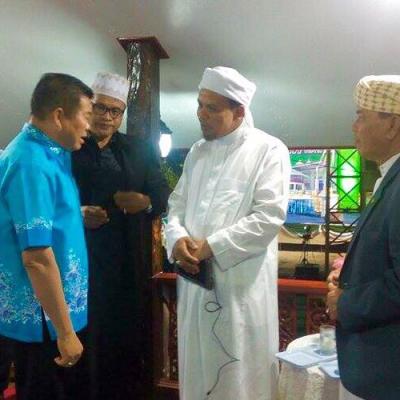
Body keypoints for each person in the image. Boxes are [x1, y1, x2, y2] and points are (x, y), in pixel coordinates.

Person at [165, 66, 291, 400]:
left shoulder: (269, 150)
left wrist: (210, 246)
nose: (200, 114)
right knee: (197, 374)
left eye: (212, 108)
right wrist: (177, 240)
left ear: (239, 112)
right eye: (200, 104)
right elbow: (176, 206)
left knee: (239, 378)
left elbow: (268, 217)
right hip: (195, 287)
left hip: (239, 293)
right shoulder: (197, 152)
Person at [72, 72, 169, 399]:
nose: (107, 117)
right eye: (101, 108)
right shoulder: (68, 145)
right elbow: (48, 201)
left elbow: (162, 194)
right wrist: (78, 214)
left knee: (123, 342)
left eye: (116, 111)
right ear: (88, 106)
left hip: (126, 264)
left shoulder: (138, 149)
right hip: (80, 262)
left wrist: (146, 202)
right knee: (83, 342)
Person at [0, 73, 93, 399]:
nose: (88, 127)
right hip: (42, 319)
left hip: (52, 315)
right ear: (58, 116)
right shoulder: (31, 162)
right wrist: (65, 332)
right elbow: (37, 257)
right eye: (86, 116)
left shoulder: (51, 152)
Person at [327, 75, 400, 400]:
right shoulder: (391, 178)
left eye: (361, 116)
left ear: (392, 125)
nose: (354, 126)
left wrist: (345, 301)